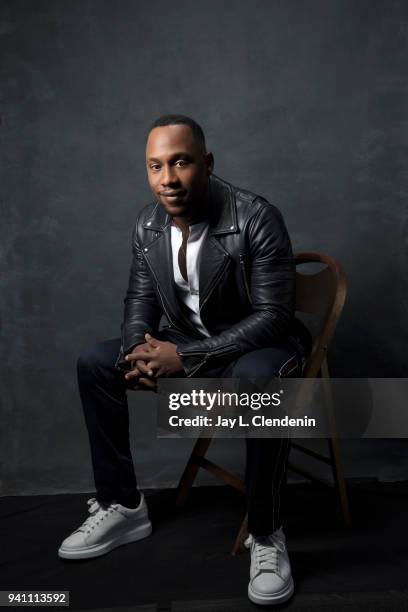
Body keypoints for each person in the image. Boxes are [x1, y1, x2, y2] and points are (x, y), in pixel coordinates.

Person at [58, 114, 311, 606]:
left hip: (257, 347)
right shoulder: (147, 223)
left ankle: (267, 533)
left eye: (180, 162)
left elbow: (274, 315)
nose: (168, 179)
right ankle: (124, 506)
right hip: (185, 343)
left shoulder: (255, 217)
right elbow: (139, 300)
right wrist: (139, 351)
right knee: (94, 361)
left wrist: (185, 357)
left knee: (261, 382)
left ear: (207, 164)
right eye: (155, 166)